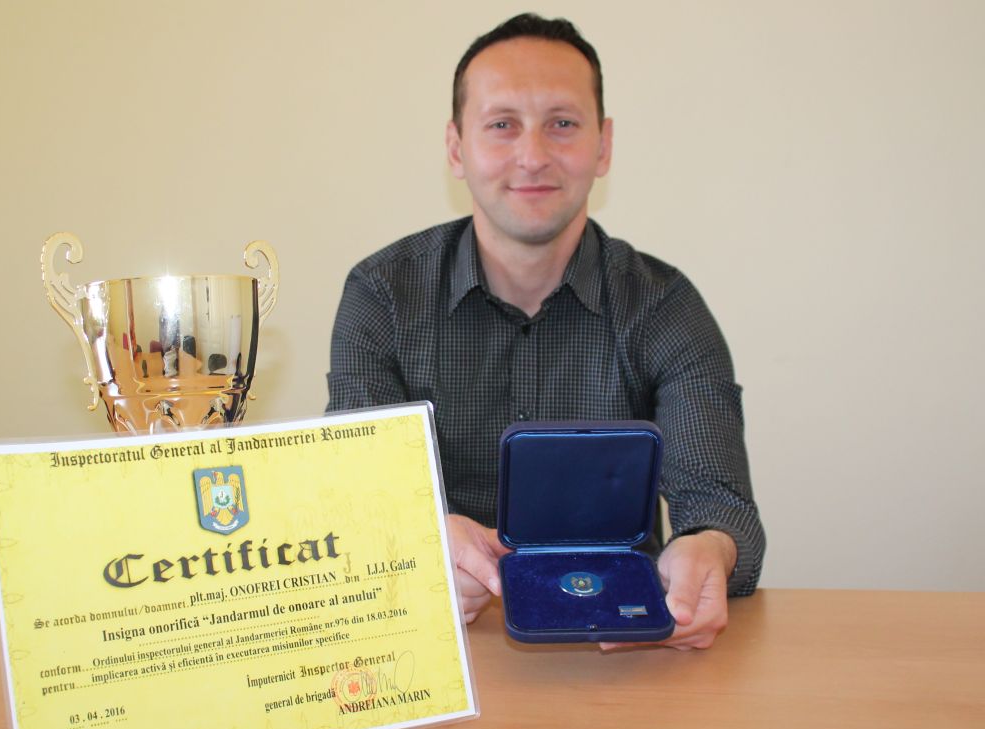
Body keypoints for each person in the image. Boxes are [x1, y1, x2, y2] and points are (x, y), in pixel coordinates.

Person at [326, 13, 765, 650]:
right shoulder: (382, 296)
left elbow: (719, 504)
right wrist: (416, 541)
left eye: (562, 123)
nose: (532, 156)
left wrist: (708, 550)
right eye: (501, 124)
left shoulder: (665, 305)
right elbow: (353, 497)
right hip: (442, 651)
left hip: (621, 655)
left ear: (603, 146)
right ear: (456, 147)